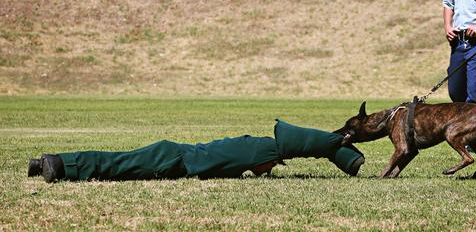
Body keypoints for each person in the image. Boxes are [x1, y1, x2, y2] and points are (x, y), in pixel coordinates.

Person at [27, 120, 365, 183]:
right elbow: (307, 144)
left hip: (175, 156)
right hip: (172, 158)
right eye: (273, 165)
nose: (268, 170)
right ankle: (59, 164)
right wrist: (337, 147)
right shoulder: (257, 151)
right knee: (118, 164)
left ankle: (45, 163)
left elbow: (304, 144)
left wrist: (338, 151)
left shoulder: (253, 148)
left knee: (118, 162)